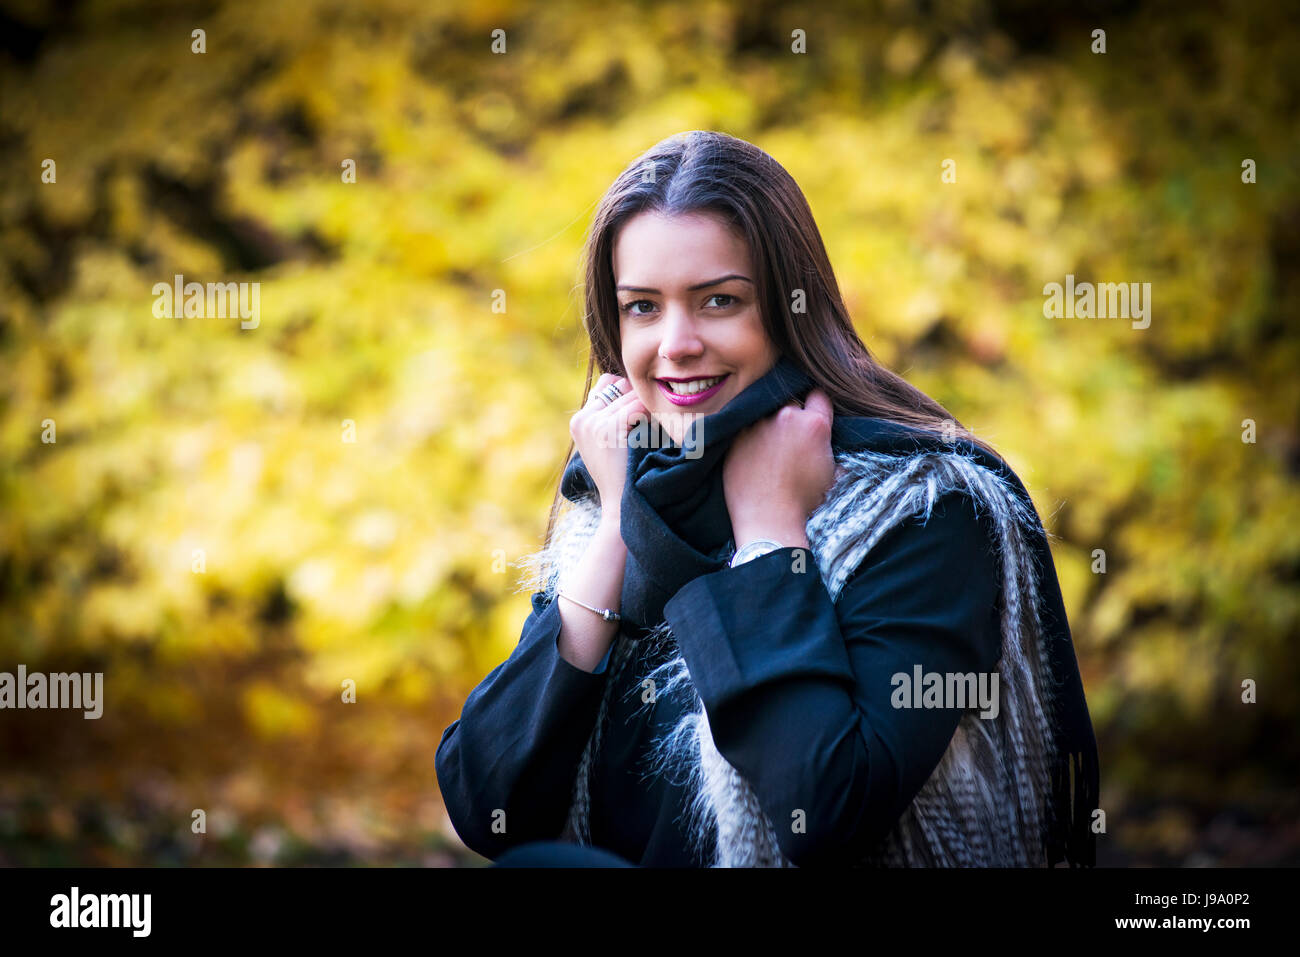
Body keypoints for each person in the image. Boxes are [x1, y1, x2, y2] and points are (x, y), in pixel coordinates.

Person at [436, 130, 1099, 868]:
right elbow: (486, 805)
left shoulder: (920, 512)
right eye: (643, 308)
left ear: (792, 308)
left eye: (720, 300)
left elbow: (824, 812)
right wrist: (619, 531)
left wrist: (772, 538)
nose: (676, 343)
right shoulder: (633, 486)